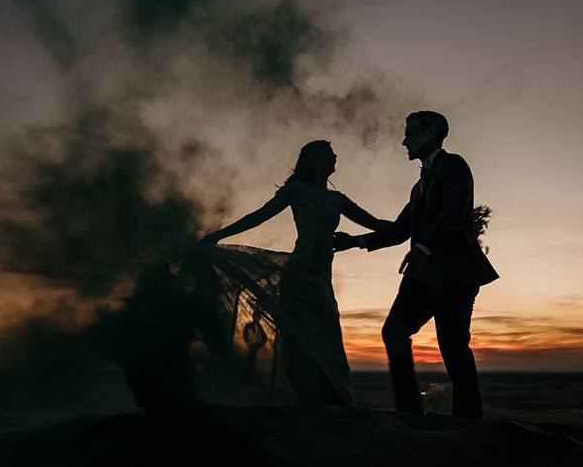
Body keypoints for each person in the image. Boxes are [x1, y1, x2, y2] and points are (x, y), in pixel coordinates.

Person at [201, 140, 391, 407]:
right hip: (301, 273)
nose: (334, 157)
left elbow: (377, 225)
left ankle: (327, 405)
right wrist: (216, 236)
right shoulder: (297, 190)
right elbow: (259, 216)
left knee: (327, 341)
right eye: (328, 153)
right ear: (313, 159)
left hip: (323, 276)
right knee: (301, 341)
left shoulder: (337, 199)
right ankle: (302, 407)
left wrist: (417, 224)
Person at [333, 111, 498, 418]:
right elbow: (399, 230)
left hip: (454, 277)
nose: (404, 140)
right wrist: (354, 241)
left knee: (453, 348)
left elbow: (454, 214)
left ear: (431, 132)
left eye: (409, 133)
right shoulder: (418, 186)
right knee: (394, 332)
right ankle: (410, 413)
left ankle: (469, 421)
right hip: (422, 278)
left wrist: (423, 248)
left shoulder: (454, 166)